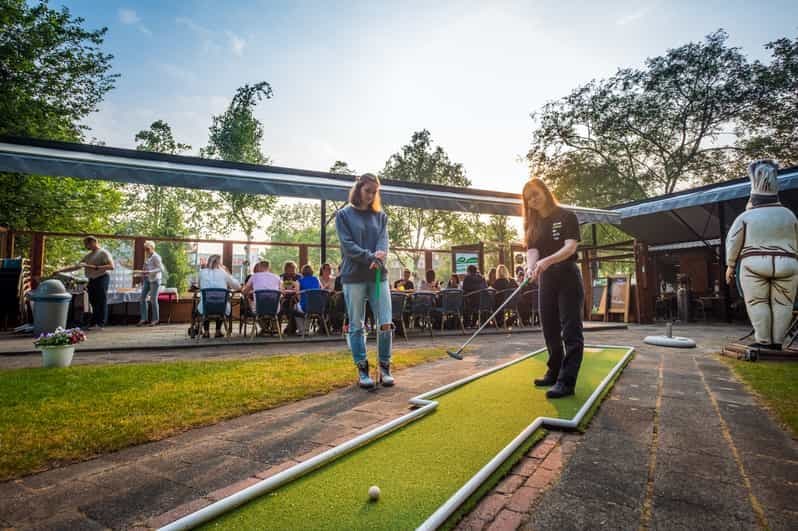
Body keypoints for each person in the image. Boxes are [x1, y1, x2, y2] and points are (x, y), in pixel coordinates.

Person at [726, 160, 798, 350]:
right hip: (788, 263)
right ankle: (778, 342)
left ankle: (764, 340)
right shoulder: (789, 215)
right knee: (784, 304)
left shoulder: (745, 217)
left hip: (753, 263)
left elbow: (733, 241)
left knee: (757, 302)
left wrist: (730, 265)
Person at [524, 178, 583, 398]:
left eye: (535, 193)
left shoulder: (567, 216)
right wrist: (531, 269)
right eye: (528, 198)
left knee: (570, 329)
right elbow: (532, 252)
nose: (533, 199)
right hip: (546, 279)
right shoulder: (533, 223)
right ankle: (554, 369)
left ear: (545, 191)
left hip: (567, 275)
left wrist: (547, 261)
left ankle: (567, 381)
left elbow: (570, 247)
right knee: (549, 327)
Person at [335, 172, 394, 389]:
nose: (370, 196)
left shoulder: (381, 217)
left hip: (378, 275)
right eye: (368, 191)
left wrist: (378, 258)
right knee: (357, 325)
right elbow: (347, 245)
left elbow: (383, 243)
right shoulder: (343, 215)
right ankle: (362, 369)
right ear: (359, 188)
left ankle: (385, 366)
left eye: (374, 192)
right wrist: (370, 257)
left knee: (385, 322)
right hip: (354, 277)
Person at [55, 236, 115, 330]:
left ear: (94, 242)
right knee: (93, 302)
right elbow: (77, 266)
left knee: (101, 301)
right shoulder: (88, 256)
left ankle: (100, 324)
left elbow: (111, 266)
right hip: (92, 280)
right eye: (85, 244)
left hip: (102, 278)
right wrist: (60, 271)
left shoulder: (103, 252)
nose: (86, 246)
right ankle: (94, 323)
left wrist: (93, 267)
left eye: (87, 244)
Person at [197, 254, 240, 338]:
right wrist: (227, 273)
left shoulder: (202, 272)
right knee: (219, 302)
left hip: (206, 307)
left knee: (207, 303)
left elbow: (199, 286)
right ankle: (218, 331)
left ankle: (206, 332)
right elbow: (237, 286)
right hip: (221, 307)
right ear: (219, 263)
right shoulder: (223, 273)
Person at [135, 240, 164, 327]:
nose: (146, 250)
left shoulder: (156, 257)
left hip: (155, 280)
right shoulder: (148, 256)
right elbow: (146, 268)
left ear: (152, 248)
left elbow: (161, 269)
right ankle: (144, 318)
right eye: (145, 249)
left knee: (153, 299)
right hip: (147, 279)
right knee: (142, 298)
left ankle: (155, 319)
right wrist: (142, 272)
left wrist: (150, 271)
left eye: (147, 248)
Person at [279, 261, 302, 334]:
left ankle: (291, 327)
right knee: (283, 306)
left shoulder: (299, 277)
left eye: (293, 268)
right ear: (285, 269)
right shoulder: (282, 277)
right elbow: (280, 287)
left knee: (292, 307)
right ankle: (287, 328)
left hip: (296, 298)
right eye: (289, 268)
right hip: (284, 297)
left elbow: (301, 288)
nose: (291, 270)